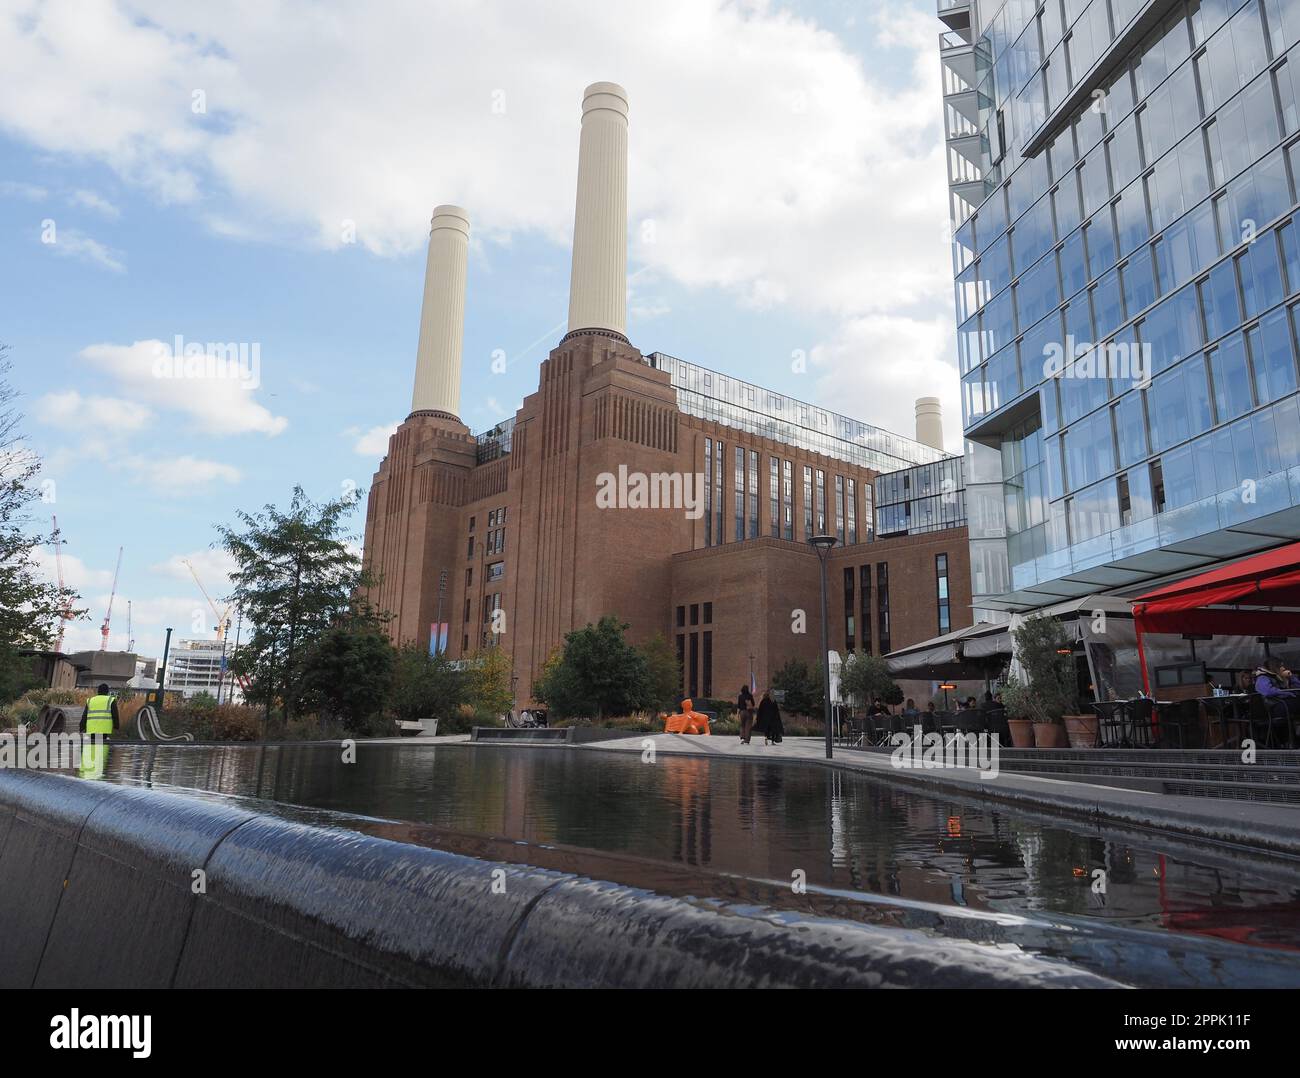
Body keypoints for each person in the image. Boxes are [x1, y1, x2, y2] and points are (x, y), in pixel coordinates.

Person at [78, 683, 119, 779]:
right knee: (100, 750)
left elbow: (85, 715)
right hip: (103, 730)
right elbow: (115, 715)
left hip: (91, 729)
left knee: (90, 749)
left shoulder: (91, 700)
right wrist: (116, 726)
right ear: (107, 692)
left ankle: (86, 769)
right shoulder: (110, 700)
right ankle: (97, 771)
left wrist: (81, 727)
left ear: (98, 691)